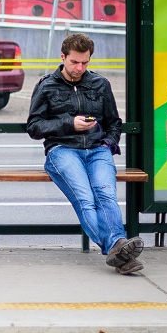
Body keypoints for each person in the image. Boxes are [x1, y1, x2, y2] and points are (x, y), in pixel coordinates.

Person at [27, 33, 144, 274]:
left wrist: (107, 144)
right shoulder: (46, 85)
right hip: (62, 151)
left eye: (85, 62)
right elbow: (35, 127)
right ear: (63, 57)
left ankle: (119, 254)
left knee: (106, 196)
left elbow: (114, 123)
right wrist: (69, 124)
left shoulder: (100, 84)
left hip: (97, 150)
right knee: (85, 200)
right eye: (74, 62)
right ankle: (118, 247)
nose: (80, 68)